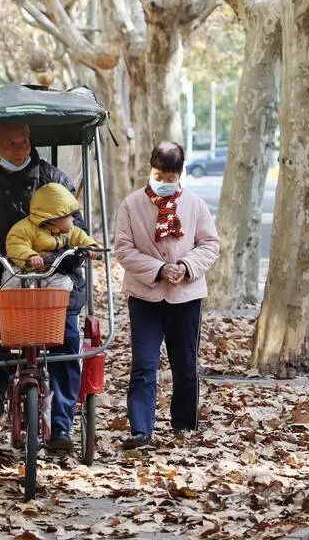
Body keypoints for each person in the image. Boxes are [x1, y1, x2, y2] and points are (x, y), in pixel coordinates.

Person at [0, 122, 87, 453]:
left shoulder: (54, 179)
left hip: (54, 275)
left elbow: (77, 225)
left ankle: (62, 424)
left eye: (24, 141)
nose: (20, 148)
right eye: (11, 144)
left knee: (67, 337)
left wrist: (64, 251)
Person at [113, 141, 220, 449]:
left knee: (185, 364)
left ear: (180, 174)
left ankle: (184, 424)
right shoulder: (132, 204)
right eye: (159, 175)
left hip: (185, 296)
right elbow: (123, 249)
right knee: (144, 364)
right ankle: (141, 429)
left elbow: (210, 244)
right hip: (145, 296)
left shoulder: (195, 204)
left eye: (170, 178)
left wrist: (185, 267)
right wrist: (159, 269)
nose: (163, 182)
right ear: (151, 169)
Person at [1, 182, 98, 290]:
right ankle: (5, 300)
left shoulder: (68, 230)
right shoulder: (24, 228)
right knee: (12, 283)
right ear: (53, 219)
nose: (73, 219)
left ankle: (55, 301)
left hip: (49, 272)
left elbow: (80, 236)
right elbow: (17, 244)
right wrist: (30, 256)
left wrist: (90, 246)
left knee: (63, 283)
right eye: (69, 215)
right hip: (22, 271)